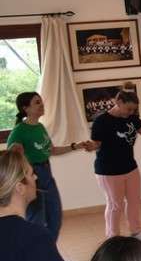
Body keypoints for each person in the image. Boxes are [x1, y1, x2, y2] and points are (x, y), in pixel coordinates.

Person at [9, 91, 95, 242]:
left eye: (41, 101)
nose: (42, 105)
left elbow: (51, 150)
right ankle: (36, 255)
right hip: (32, 177)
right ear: (25, 108)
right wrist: (26, 173)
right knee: (36, 221)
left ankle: (49, 253)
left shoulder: (40, 127)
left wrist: (75, 146)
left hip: (47, 174)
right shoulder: (19, 131)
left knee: (55, 218)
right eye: (37, 102)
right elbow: (11, 158)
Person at [90, 89, 141, 241]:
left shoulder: (132, 118)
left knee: (134, 202)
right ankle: (112, 237)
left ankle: (136, 232)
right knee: (116, 205)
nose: (131, 112)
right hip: (108, 171)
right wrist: (90, 146)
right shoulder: (101, 121)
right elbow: (96, 144)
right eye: (129, 109)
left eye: (133, 110)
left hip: (130, 168)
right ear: (118, 102)